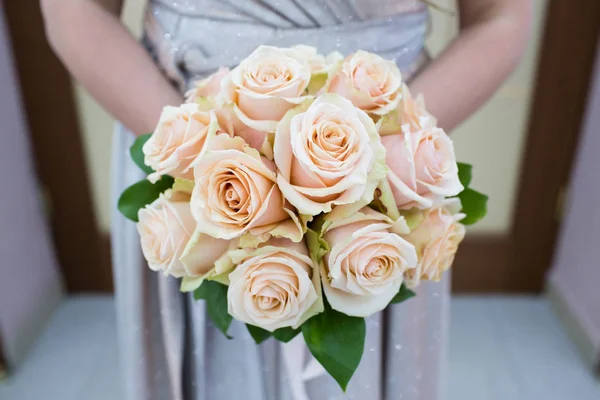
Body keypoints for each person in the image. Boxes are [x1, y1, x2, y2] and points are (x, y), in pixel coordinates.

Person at [41, 1, 531, 399]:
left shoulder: (382, 173)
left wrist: (367, 173)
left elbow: (500, 17)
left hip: (388, 174)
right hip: (185, 152)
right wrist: (207, 158)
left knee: (365, 294)